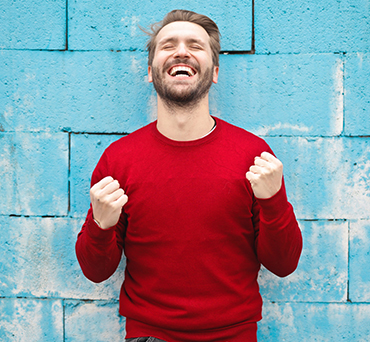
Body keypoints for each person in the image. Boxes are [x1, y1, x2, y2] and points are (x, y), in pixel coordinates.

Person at [76, 9, 302, 342]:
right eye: (168, 45)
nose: (181, 50)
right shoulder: (119, 160)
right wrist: (101, 225)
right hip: (149, 336)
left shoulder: (253, 155)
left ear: (214, 72)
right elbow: (96, 272)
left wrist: (273, 200)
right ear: (152, 72)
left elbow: (284, 264)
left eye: (195, 45)